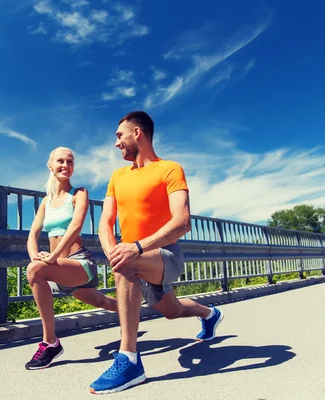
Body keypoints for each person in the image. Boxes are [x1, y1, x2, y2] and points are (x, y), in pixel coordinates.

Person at [89, 111, 224, 394]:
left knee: (127, 264)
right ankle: (210, 314)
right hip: (134, 256)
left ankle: (128, 361)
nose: (116, 144)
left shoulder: (169, 169)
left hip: (166, 255)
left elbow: (182, 221)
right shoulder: (117, 177)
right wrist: (113, 251)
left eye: (119, 136)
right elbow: (105, 222)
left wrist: (135, 248)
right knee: (171, 311)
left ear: (137, 132)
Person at [25, 146, 118, 370]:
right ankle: (135, 308)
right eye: (60, 161)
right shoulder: (46, 202)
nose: (65, 165)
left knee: (34, 270)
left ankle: (50, 343)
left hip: (79, 263)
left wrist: (51, 258)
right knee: (103, 302)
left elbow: (76, 226)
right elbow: (32, 235)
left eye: (70, 162)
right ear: (50, 165)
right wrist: (35, 255)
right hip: (58, 268)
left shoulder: (79, 193)